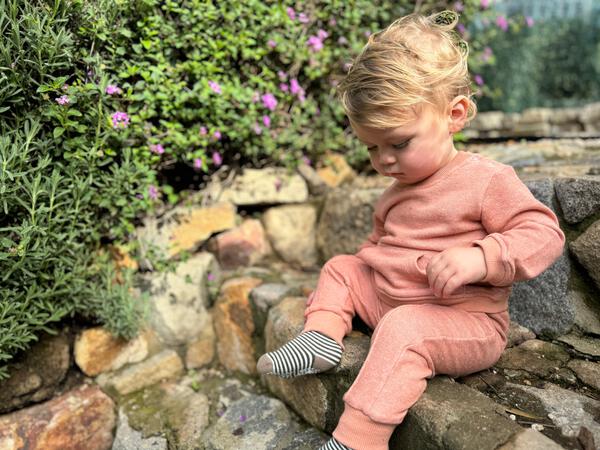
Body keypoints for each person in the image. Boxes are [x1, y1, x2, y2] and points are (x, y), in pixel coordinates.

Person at [256, 10, 565, 450]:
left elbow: (544, 233)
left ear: (454, 114)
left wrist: (482, 257)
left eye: (399, 143)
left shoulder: (486, 180)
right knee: (343, 266)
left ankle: (358, 440)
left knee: (405, 328)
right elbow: (379, 247)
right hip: (391, 300)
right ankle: (321, 338)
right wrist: (361, 273)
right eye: (371, 147)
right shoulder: (397, 191)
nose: (384, 160)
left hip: (465, 322)